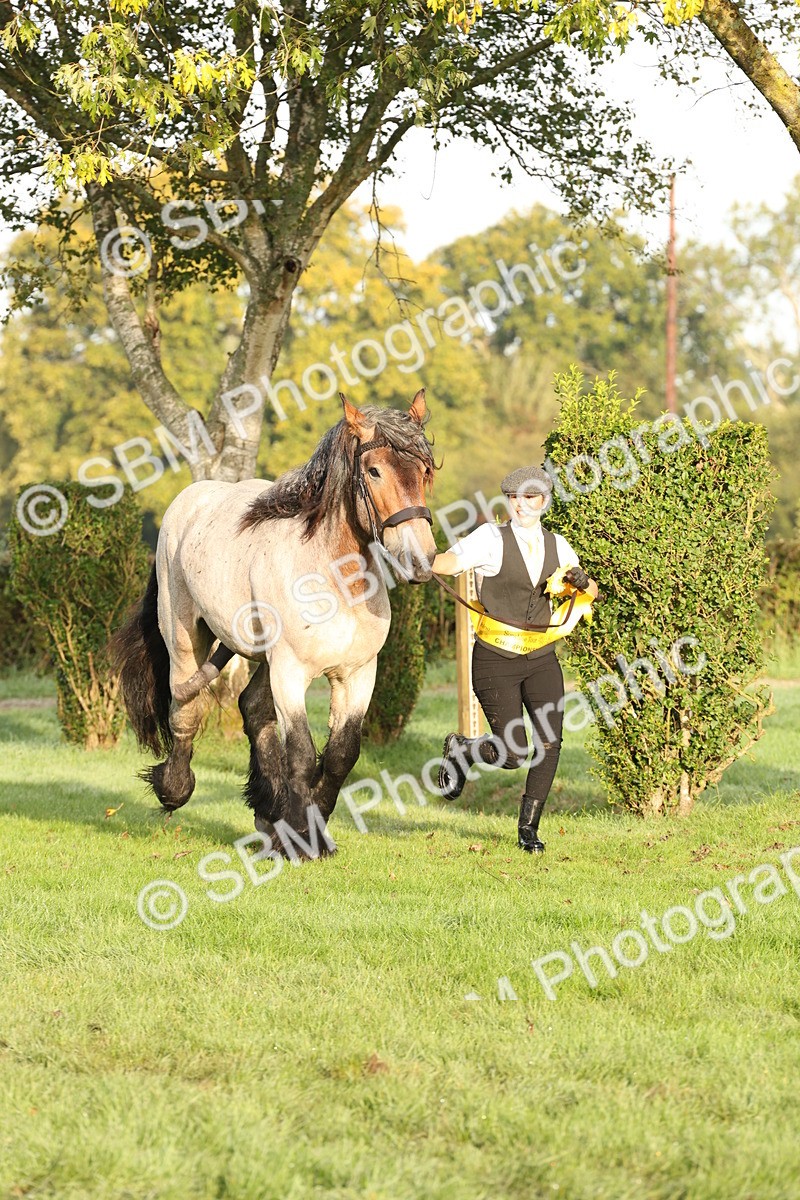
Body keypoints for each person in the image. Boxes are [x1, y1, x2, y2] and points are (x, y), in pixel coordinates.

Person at [432, 466, 598, 854]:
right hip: (495, 660)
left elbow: (593, 591)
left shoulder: (560, 545)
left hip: (541, 658)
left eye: (530, 497)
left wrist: (581, 580)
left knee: (550, 743)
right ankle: (463, 750)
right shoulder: (490, 538)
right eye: (514, 497)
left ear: (544, 501)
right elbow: (447, 563)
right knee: (513, 753)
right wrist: (413, 552)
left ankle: (528, 830)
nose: (521, 505)